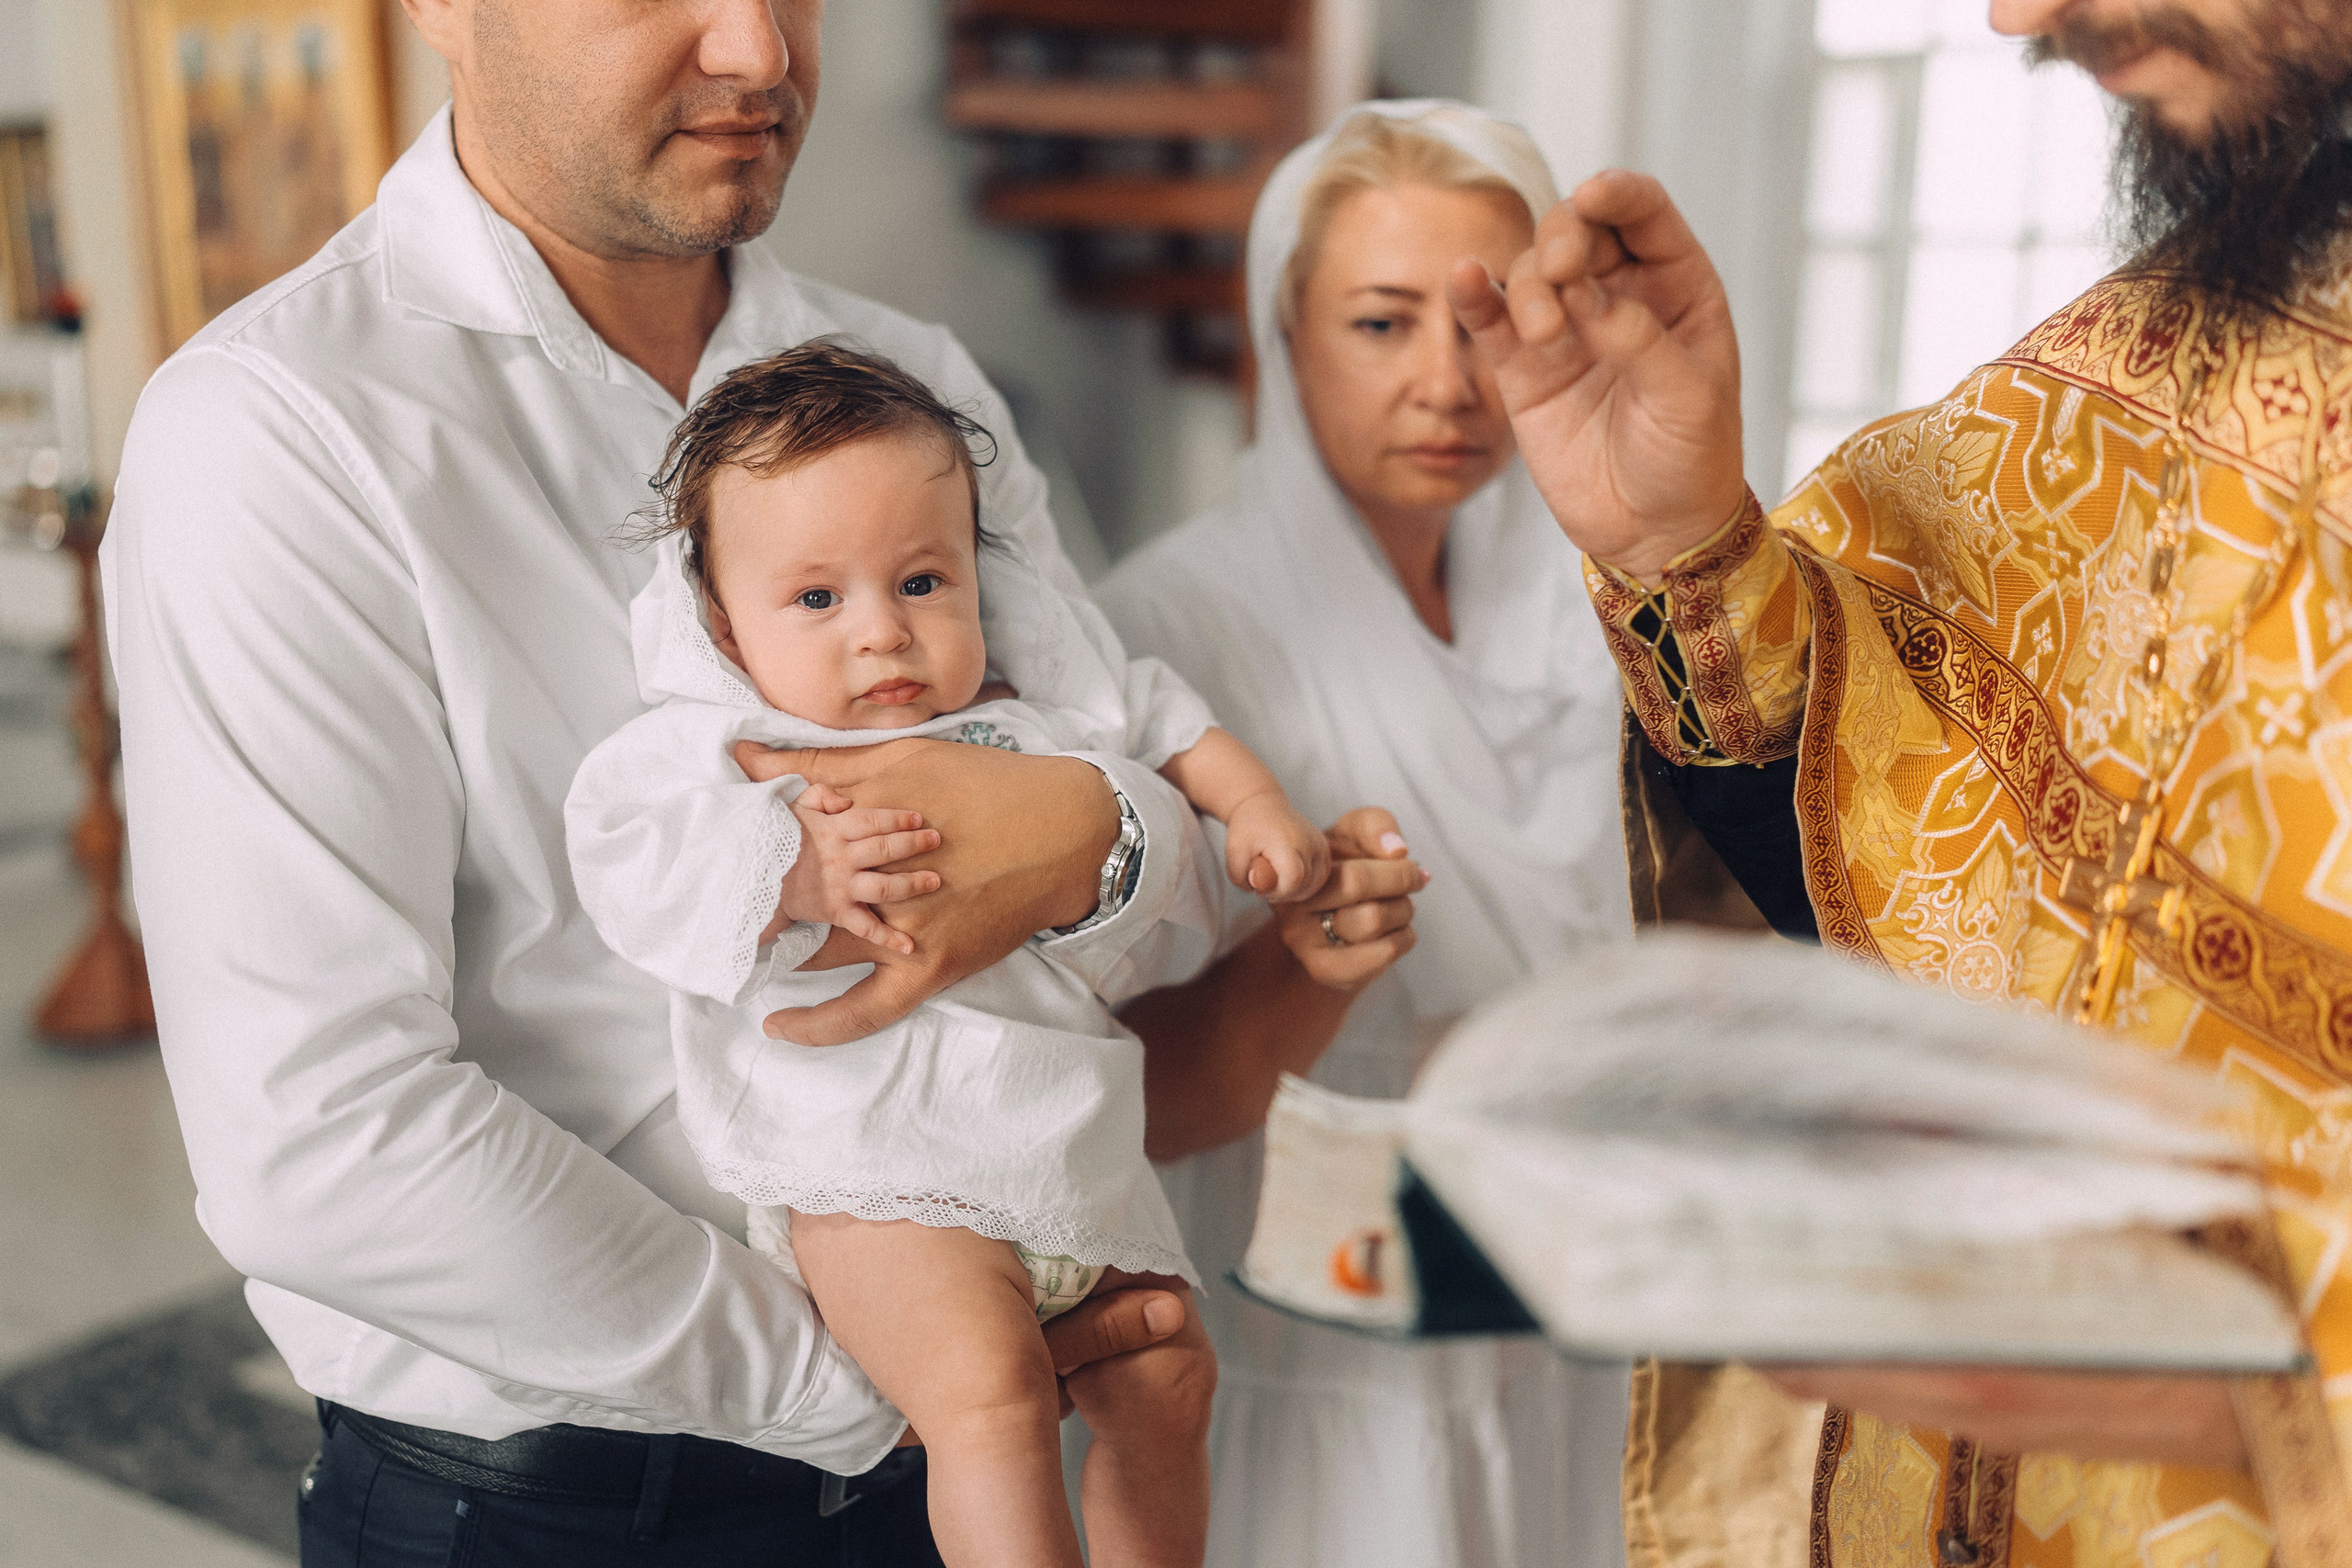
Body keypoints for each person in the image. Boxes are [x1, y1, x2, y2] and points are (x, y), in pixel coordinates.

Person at [97, 1, 1408, 1561]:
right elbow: (323, 1144)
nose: (758, 51)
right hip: (569, 1511)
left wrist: (1093, 838)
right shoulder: (279, 434)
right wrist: (887, 1382)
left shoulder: (916, 381)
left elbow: (1150, 883)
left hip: (962, 1453)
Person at [1449, 0, 2352, 1563]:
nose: (2017, 14)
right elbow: (1945, 867)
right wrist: (1689, 557)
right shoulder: (2199, 317)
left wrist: (2244, 1390)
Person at [568, 342, 1333, 1568]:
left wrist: (1260, 815)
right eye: (818, 600)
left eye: (922, 581)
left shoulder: (1032, 715)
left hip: (1067, 1153)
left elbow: (1170, 721)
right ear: (721, 625)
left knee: (1169, 1382)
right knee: (991, 1408)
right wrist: (791, 871)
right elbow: (625, 862)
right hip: (878, 1170)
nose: (883, 635)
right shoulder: (724, 754)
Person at [1099, 103, 1637, 1568]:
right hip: (1314, 1345)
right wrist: (1310, 963)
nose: (1446, 384)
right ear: (1285, 338)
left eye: (1489, 321)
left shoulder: (1585, 618)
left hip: (1547, 1300)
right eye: (1382, 324)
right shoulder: (1168, 639)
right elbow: (1117, 1082)